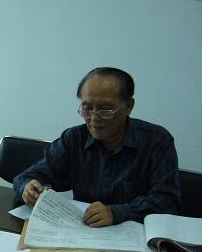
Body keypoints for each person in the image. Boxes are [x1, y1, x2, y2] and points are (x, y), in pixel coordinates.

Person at [13, 67, 180, 227]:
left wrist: (116, 213)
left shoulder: (156, 141)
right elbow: (27, 176)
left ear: (129, 106)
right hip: (82, 229)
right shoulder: (74, 138)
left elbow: (167, 202)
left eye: (105, 110)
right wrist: (27, 188)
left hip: (132, 235)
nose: (94, 119)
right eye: (87, 108)